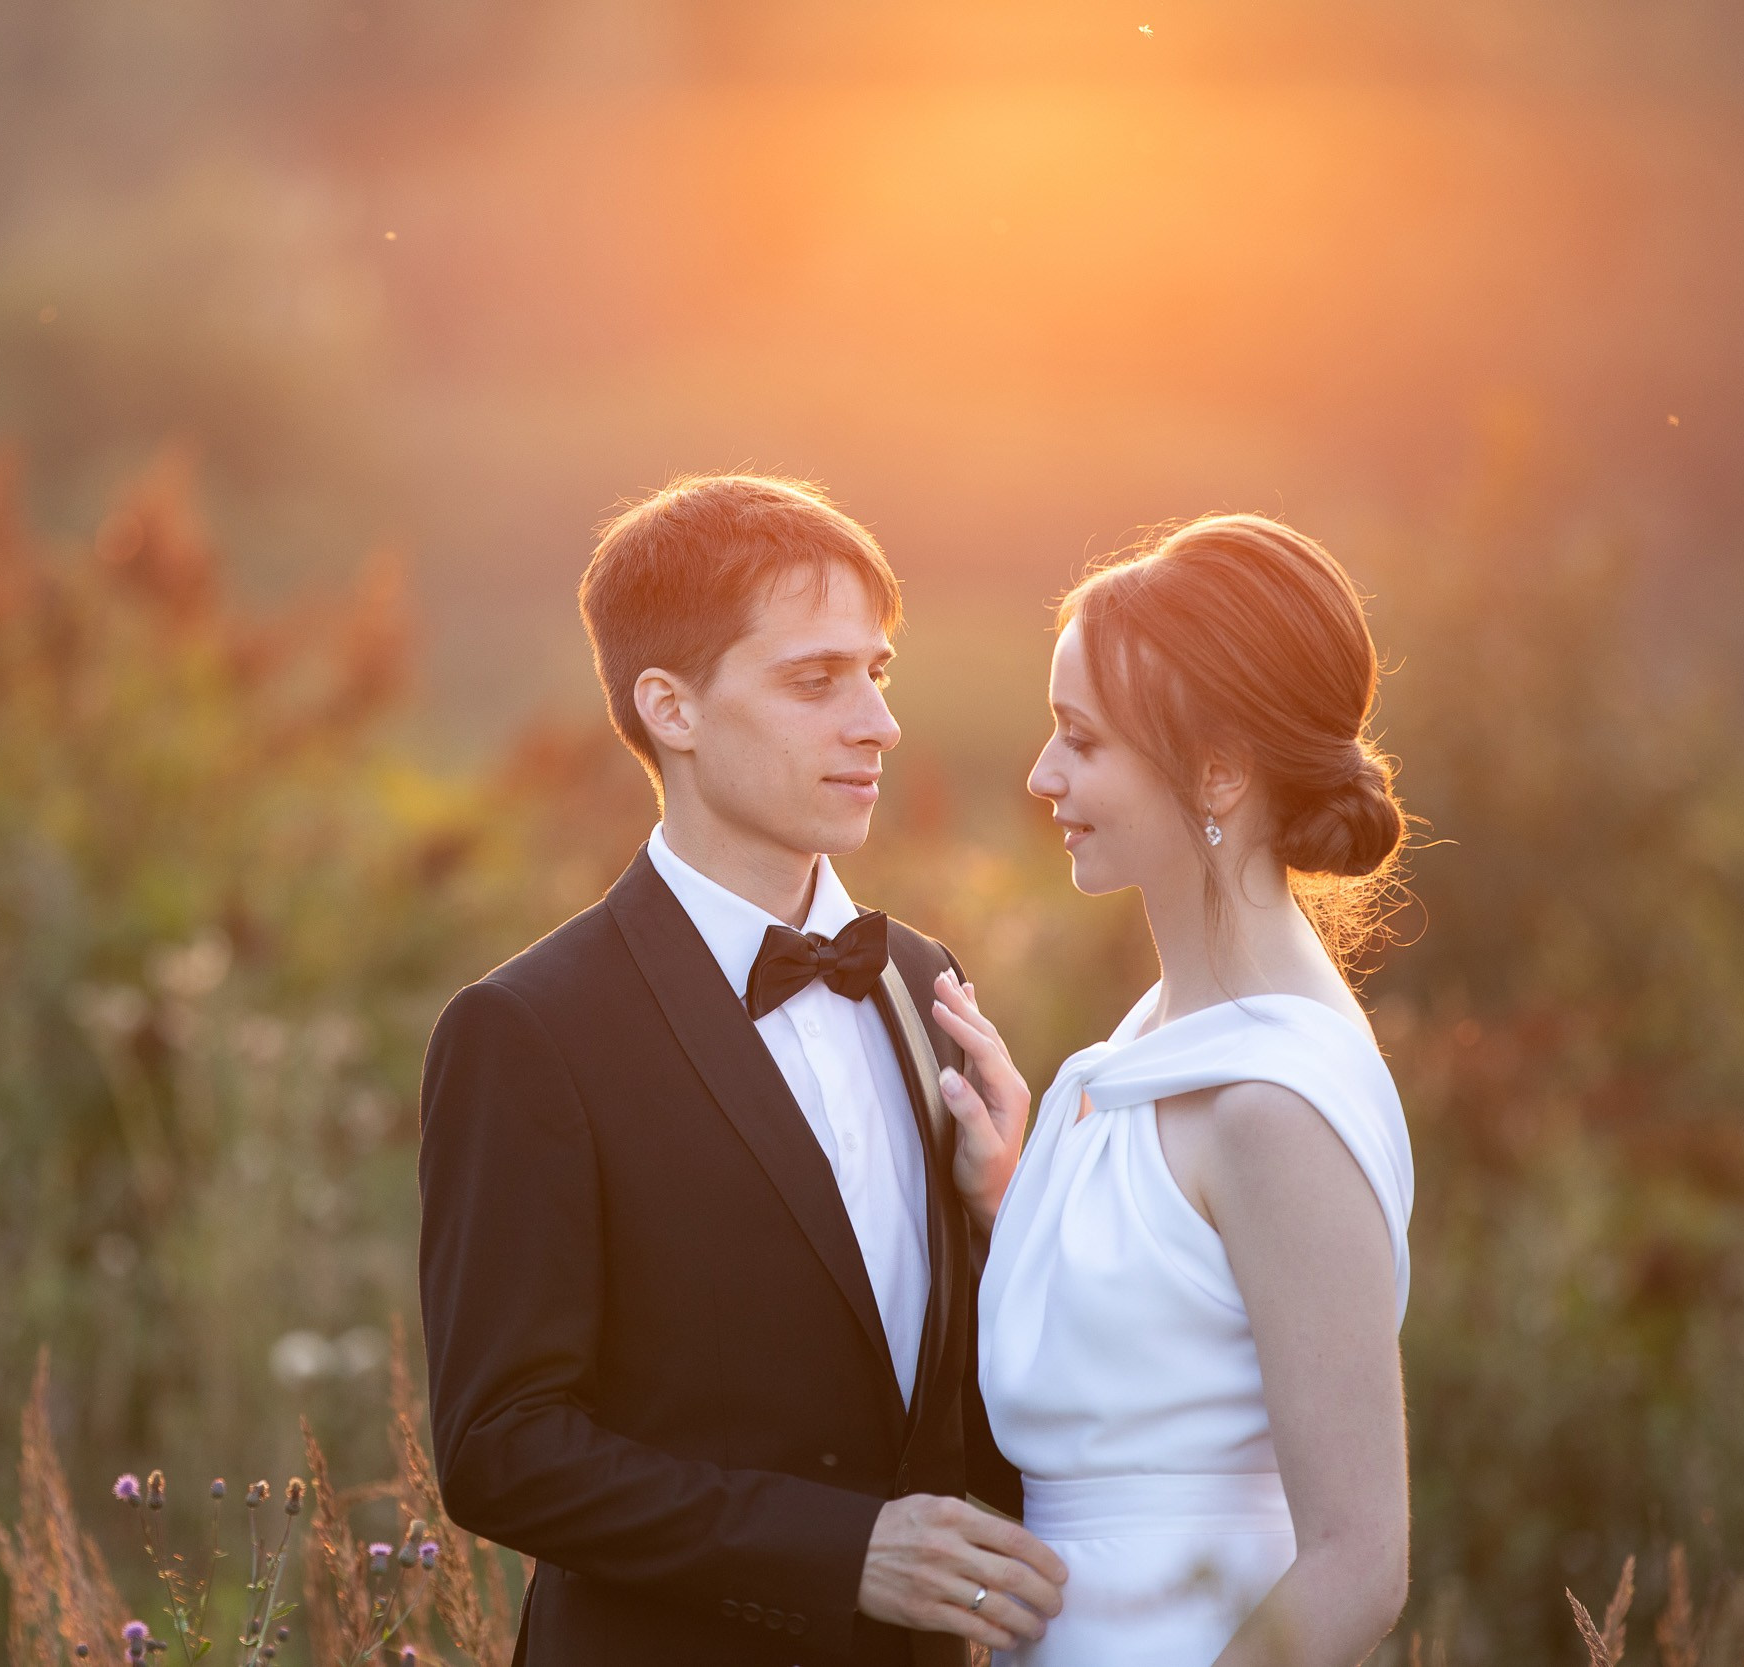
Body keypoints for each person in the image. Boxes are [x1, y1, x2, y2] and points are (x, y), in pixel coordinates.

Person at [417, 474, 1065, 1666]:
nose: (876, 722)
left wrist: (1004, 1213)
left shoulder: (925, 983)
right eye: (815, 680)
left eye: (877, 672)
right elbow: (501, 1449)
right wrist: (837, 1550)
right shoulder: (527, 1028)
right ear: (670, 705)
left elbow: (950, 1408)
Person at [927, 514, 1415, 1665]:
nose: (1042, 775)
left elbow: (1359, 1558)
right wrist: (1023, 1203)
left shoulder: (1271, 1105)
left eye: (1081, 741)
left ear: (1219, 770)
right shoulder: (1151, 1040)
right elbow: (1170, 1354)